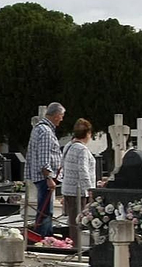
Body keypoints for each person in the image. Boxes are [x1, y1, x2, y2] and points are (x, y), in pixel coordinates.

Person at [25, 103, 64, 239]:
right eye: (61, 116)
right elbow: (44, 157)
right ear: (55, 115)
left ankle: (43, 235)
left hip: (41, 176)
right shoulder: (46, 132)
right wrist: (49, 178)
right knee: (46, 210)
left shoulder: (39, 128)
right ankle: (44, 237)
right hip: (44, 177)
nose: (62, 119)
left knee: (44, 208)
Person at [59, 118, 95, 249]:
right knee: (80, 222)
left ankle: (74, 247)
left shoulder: (69, 145)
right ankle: (77, 250)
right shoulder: (82, 150)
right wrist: (90, 190)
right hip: (79, 190)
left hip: (68, 189)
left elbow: (63, 165)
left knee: (73, 223)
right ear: (87, 133)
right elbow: (83, 170)